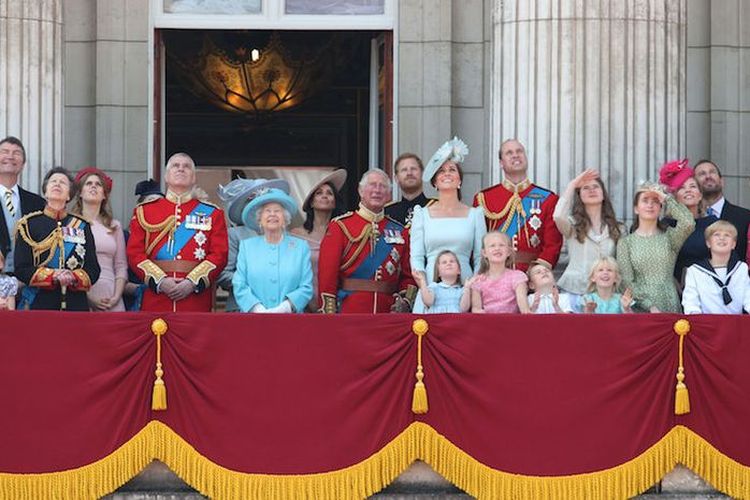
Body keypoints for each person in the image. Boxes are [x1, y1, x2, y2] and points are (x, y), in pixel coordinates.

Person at [127, 152, 228, 312]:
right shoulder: (144, 211)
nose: (181, 169)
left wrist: (191, 282)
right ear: (166, 176)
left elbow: (219, 255)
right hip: (157, 297)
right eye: (175, 166)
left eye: (186, 166)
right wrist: (160, 281)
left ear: (194, 178)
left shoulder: (212, 213)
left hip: (195, 300)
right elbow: (134, 253)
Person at [318, 169, 416, 313]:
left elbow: (409, 275)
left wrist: (405, 301)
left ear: (389, 195)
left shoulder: (401, 231)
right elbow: (327, 273)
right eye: (372, 185)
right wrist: (328, 311)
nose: (377, 190)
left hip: (388, 313)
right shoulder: (340, 226)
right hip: (350, 310)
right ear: (360, 191)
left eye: (382, 186)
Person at [410, 137, 485, 313]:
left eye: (452, 170)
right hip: (430, 286)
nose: (447, 173)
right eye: (441, 171)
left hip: (465, 287)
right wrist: (423, 284)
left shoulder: (475, 214)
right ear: (435, 182)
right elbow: (417, 257)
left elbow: (481, 258)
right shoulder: (422, 214)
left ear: (460, 180)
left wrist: (472, 287)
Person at [14, 167, 100, 311]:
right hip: (40, 303)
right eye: (53, 181)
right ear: (46, 192)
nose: (57, 184)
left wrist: (73, 277)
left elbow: (93, 269)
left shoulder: (81, 225)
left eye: (63, 183)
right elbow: (21, 268)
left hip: (76, 304)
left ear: (69, 195)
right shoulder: (29, 224)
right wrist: (52, 275)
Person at [473, 139, 562, 271]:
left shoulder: (548, 199)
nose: (515, 155)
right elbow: (477, 244)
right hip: (496, 274)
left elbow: (552, 245)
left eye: (519, 151)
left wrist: (537, 274)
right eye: (509, 153)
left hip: (532, 275)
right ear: (501, 163)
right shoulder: (484, 199)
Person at [616, 181, 695, 313]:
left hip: (669, 303)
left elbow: (688, 224)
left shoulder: (669, 237)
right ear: (636, 208)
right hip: (640, 309)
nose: (650, 205)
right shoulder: (626, 243)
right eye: (645, 200)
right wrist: (649, 305)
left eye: (655, 201)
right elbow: (626, 281)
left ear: (660, 207)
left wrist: (666, 198)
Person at [232, 188, 312, 313]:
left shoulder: (300, 247)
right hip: (253, 320)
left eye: (277, 211)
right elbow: (239, 284)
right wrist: (257, 309)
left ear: (285, 219)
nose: (272, 214)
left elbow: (306, 287)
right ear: (259, 219)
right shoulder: (247, 247)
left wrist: (285, 308)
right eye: (267, 211)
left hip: (290, 320)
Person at [553, 169, 622, 309]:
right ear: (579, 196)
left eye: (596, 186)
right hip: (574, 290)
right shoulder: (572, 224)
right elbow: (557, 215)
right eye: (586, 188)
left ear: (603, 194)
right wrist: (572, 185)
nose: (591, 190)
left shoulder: (618, 228)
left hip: (605, 294)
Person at [217, 177, 289, 312]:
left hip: (279, 309)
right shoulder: (235, 234)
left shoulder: (286, 237)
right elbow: (223, 275)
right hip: (242, 308)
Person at [71, 167, 128, 311]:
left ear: (104, 195)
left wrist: (116, 296)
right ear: (80, 193)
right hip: (81, 294)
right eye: (88, 183)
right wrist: (88, 297)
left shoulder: (114, 226)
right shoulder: (71, 224)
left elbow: (121, 266)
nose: (93, 187)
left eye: (98, 184)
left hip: (111, 294)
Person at [291, 169, 347, 311]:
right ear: (311, 202)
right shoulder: (295, 235)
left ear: (335, 202)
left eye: (329, 193)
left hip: (335, 305)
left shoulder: (344, 234)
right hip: (301, 304)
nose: (324, 196)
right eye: (319, 193)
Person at [658, 159, 718, 283]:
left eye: (693, 186)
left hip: (708, 287)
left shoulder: (713, 223)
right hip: (676, 289)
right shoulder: (666, 225)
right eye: (682, 188)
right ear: (674, 196)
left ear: (700, 195)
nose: (688, 190)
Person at [0, 137, 46, 279]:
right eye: (4, 151)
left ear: (23, 164)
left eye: (16, 153)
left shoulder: (37, 203)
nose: (10, 156)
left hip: (27, 281)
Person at [682, 220, 750, 314]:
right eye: (717, 234)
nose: (722, 238)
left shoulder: (741, 268)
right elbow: (691, 302)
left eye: (727, 235)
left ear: (733, 244)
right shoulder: (695, 271)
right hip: (707, 324)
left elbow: (748, 297)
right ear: (708, 243)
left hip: (735, 324)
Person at [694, 159, 750, 261]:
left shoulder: (745, 217)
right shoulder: (689, 220)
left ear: (722, 181)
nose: (708, 176)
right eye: (702, 174)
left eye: (712, 172)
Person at [123, 179, 165, 311]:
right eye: (151, 201)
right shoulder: (125, 236)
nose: (156, 205)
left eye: (161, 202)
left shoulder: (170, 240)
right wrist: (142, 289)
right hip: (133, 302)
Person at [469, 232, 530, 313]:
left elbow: (524, 307)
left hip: (512, 323)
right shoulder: (478, 280)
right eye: (492, 245)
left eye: (501, 245)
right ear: (484, 253)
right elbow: (476, 309)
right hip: (488, 323)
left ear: (508, 252)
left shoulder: (517, 277)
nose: (497, 248)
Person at [384, 153, 434, 226]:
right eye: (404, 170)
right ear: (396, 178)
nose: (409, 173)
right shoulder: (387, 213)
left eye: (413, 169)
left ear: (422, 174)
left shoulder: (435, 208)